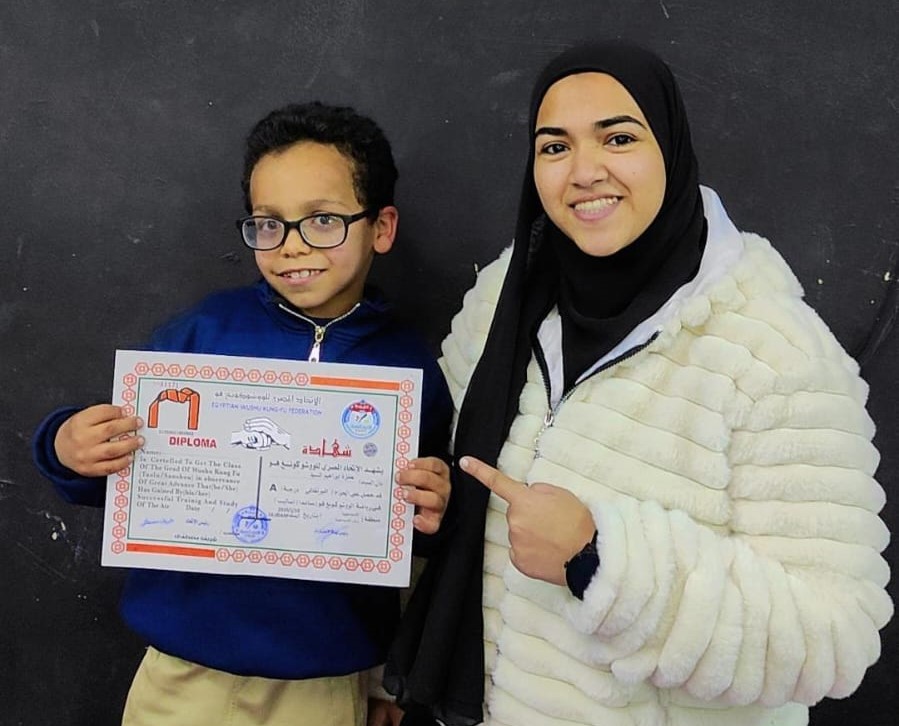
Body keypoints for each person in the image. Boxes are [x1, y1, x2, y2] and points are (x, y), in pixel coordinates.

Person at [384, 42, 893, 726]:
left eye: (618, 138)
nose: (584, 172)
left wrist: (600, 561)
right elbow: (452, 478)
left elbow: (834, 637)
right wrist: (438, 501)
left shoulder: (773, 353)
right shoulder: (504, 298)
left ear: (670, 150)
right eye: (554, 146)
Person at [31, 101, 453, 726]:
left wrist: (391, 674)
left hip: (323, 681)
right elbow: (120, 468)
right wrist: (67, 447)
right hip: (182, 672)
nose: (292, 246)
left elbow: (418, 544)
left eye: (324, 220)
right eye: (268, 224)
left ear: (381, 227)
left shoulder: (410, 371)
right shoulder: (199, 335)